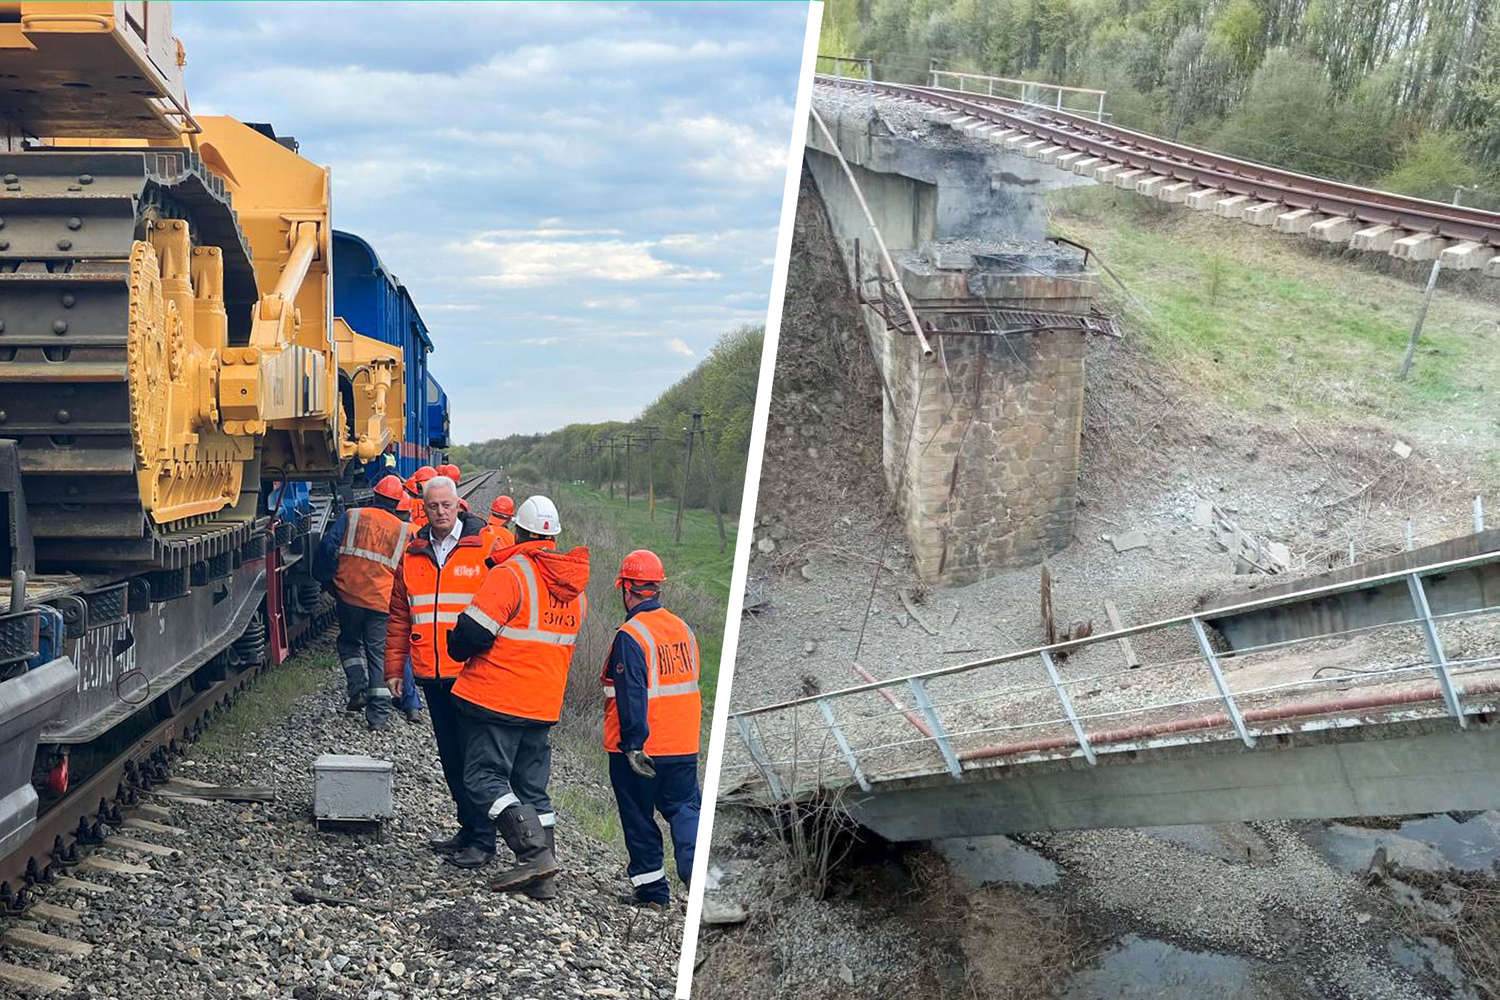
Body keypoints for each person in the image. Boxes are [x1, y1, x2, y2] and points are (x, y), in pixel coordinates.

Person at [446, 495, 589, 896]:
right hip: (543, 704)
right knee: (532, 788)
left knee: (483, 777)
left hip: (498, 698)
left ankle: (532, 854)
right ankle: (544, 879)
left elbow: (472, 634)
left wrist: (454, 643)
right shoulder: (575, 589)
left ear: (519, 532)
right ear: (554, 537)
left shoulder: (513, 573)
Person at [384, 475, 495, 863]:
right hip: (432, 674)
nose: (441, 512)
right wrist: (394, 668)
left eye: (447, 505)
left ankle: (483, 840)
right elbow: (399, 614)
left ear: (458, 504)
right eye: (433, 506)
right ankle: (469, 829)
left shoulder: (484, 548)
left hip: (473, 674)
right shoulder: (413, 553)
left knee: (474, 759)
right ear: (425, 508)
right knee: (450, 756)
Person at [602, 549, 701, 909]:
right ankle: (698, 883)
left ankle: (653, 892)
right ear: (657, 588)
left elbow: (632, 695)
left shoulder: (631, 635)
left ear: (626, 588)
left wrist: (632, 744)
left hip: (644, 748)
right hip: (684, 743)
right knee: (686, 810)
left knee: (638, 816)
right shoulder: (683, 629)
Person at [313, 474, 411, 730]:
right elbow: (404, 571)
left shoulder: (353, 516)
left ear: (374, 494)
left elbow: (327, 546)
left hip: (349, 595)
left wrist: (325, 578)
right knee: (377, 654)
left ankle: (357, 689)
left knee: (348, 642)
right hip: (381, 601)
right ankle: (378, 716)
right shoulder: (403, 531)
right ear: (398, 502)